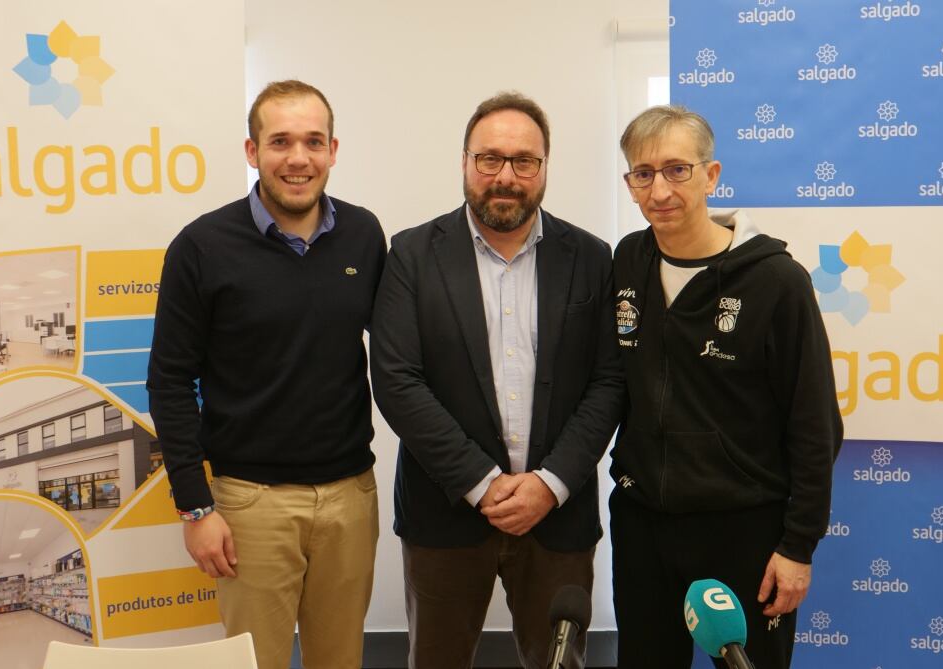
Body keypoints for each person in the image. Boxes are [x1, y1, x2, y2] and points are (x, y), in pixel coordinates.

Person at [370, 92, 623, 669]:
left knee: (559, 662)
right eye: (489, 159)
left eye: (523, 161)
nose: (505, 176)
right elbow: (397, 380)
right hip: (445, 509)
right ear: (464, 162)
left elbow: (609, 382)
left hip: (558, 515)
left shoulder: (591, 257)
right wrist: (483, 483)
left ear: (544, 168)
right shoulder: (411, 254)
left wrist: (549, 483)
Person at [147, 80, 385, 669]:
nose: (298, 158)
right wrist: (195, 508)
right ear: (253, 152)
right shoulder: (201, 247)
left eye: (313, 141)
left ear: (333, 150)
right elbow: (170, 382)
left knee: (341, 660)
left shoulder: (363, 234)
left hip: (351, 499)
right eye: (280, 141)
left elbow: (400, 355)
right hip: (248, 506)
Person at [609, 105, 843, 669]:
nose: (659, 189)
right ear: (630, 185)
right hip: (642, 523)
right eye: (643, 173)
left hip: (744, 532)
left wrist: (797, 547)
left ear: (711, 176)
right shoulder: (628, 259)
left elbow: (815, 425)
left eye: (676, 170)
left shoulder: (776, 281)